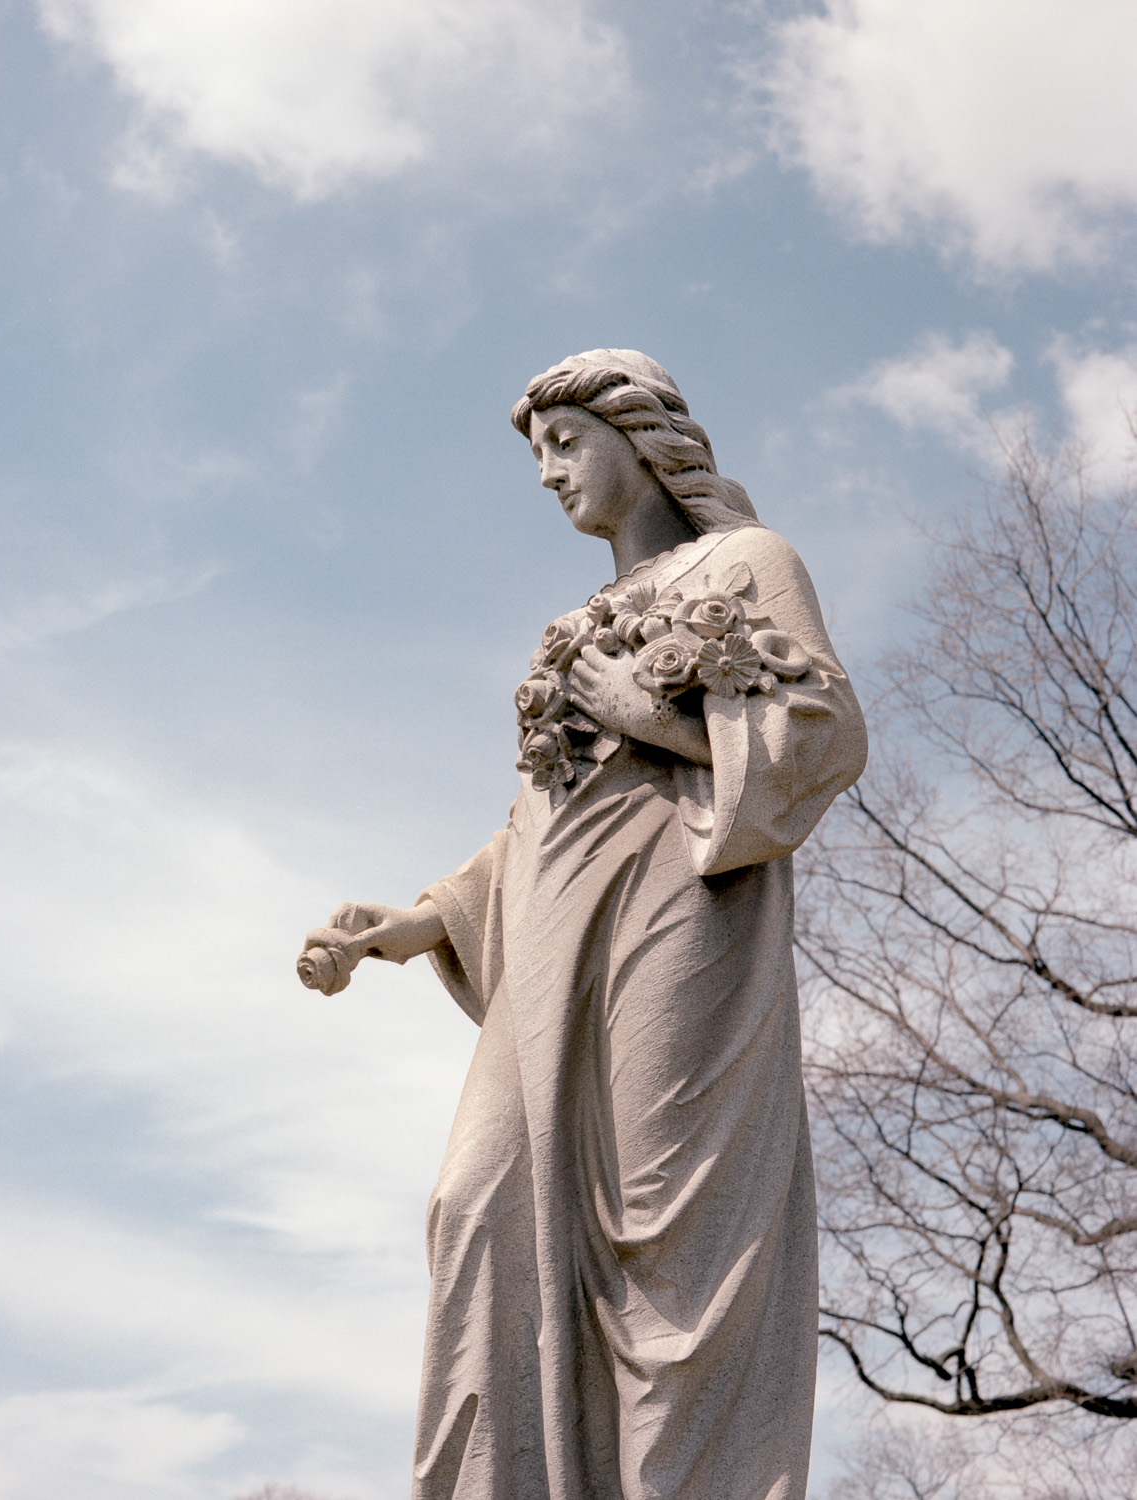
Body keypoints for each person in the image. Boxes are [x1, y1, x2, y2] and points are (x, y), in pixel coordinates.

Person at [299, 349, 868, 1500]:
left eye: (565, 444)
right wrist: (419, 923)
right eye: (536, 457)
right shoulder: (573, 625)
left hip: (681, 916)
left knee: (666, 1240)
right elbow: (548, 820)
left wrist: (652, 715)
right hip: (549, 946)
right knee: (477, 1204)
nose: (549, 474)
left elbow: (823, 733)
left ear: (640, 435)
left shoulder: (749, 563)